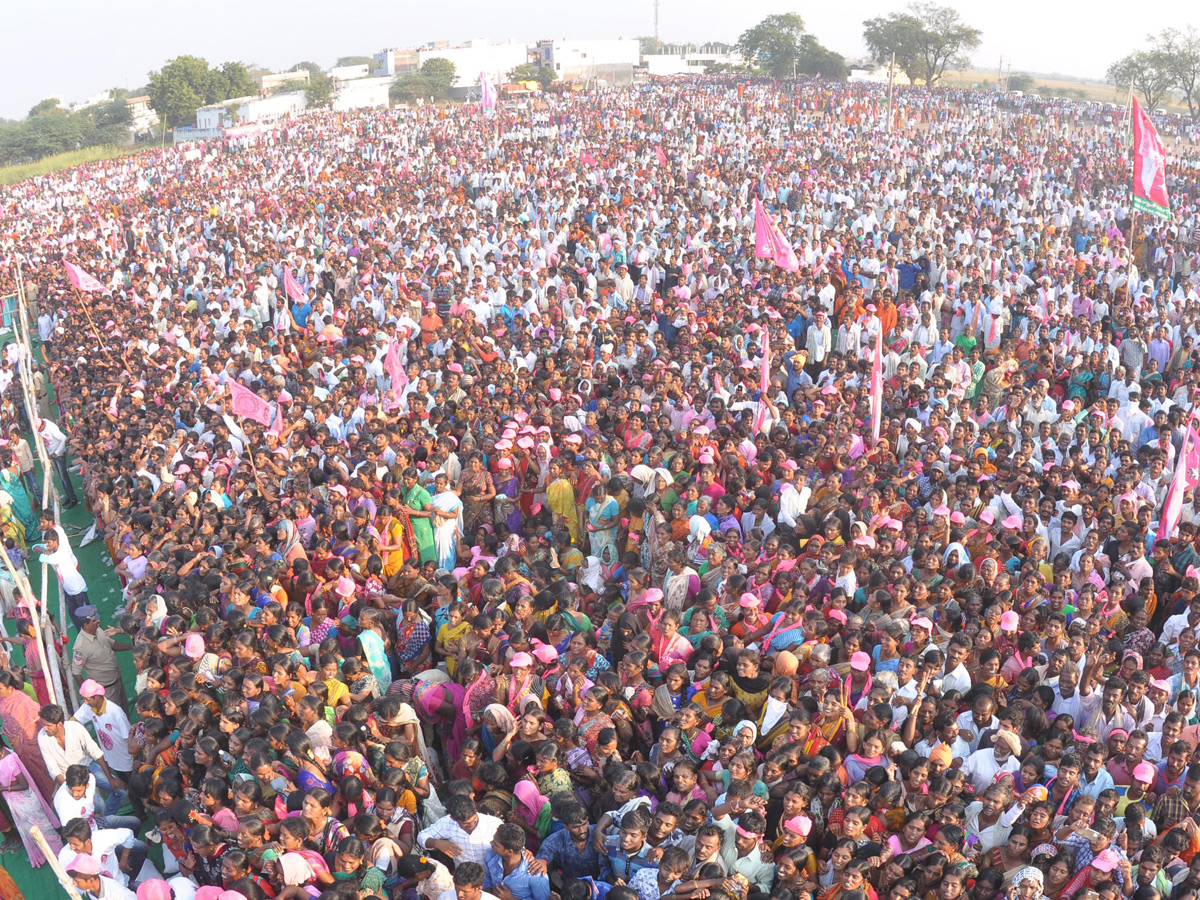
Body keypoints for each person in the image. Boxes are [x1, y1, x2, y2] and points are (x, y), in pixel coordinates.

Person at [70, 606, 130, 709]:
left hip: (117, 680)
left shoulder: (98, 630)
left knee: (124, 710)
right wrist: (89, 693)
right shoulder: (81, 647)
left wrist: (131, 647)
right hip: (105, 690)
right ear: (86, 624)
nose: (98, 621)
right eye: (94, 621)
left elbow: (111, 644)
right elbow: (76, 673)